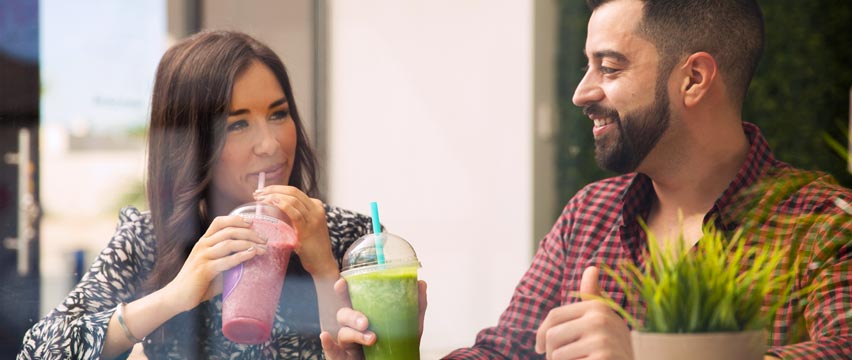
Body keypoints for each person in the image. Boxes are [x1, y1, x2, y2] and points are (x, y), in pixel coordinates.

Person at [322, 0, 852, 359]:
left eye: (610, 67)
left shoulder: (825, 225)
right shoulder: (590, 214)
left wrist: (643, 353)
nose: (581, 91)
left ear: (693, 79)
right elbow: (504, 353)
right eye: (586, 65)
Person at [18, 30, 376, 360]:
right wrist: (174, 297)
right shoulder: (149, 242)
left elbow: (383, 351)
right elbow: (40, 351)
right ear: (193, 143)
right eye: (237, 124)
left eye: (278, 114)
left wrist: (324, 269)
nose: (270, 144)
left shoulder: (348, 236)